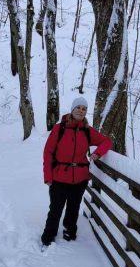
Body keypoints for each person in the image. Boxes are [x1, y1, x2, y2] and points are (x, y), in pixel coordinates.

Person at [41, 96, 112, 247]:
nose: (81, 111)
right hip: (59, 177)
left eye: (84, 109)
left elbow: (107, 141)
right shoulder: (59, 129)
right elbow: (48, 152)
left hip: (79, 178)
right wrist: (48, 176)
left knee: (74, 208)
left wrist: (97, 153)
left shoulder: (87, 131)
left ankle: (70, 232)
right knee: (55, 209)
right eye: (78, 107)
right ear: (72, 109)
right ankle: (48, 237)